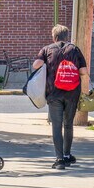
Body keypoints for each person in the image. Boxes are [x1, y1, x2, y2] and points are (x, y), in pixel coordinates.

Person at [32, 25, 89, 170]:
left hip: (53, 93)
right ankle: (67, 155)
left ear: (54, 37)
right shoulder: (74, 49)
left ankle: (59, 159)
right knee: (68, 124)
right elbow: (83, 71)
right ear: (67, 36)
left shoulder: (47, 49)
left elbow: (36, 65)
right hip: (71, 94)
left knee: (57, 126)